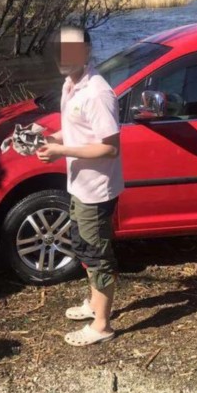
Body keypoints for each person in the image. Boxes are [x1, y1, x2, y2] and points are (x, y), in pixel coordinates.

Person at [37, 25, 124, 345]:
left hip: (96, 190)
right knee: (84, 247)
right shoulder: (71, 84)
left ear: (86, 52)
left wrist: (61, 151)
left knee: (97, 255)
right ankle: (94, 304)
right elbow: (78, 129)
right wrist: (50, 138)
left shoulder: (97, 93)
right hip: (78, 185)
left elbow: (110, 147)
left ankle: (102, 326)